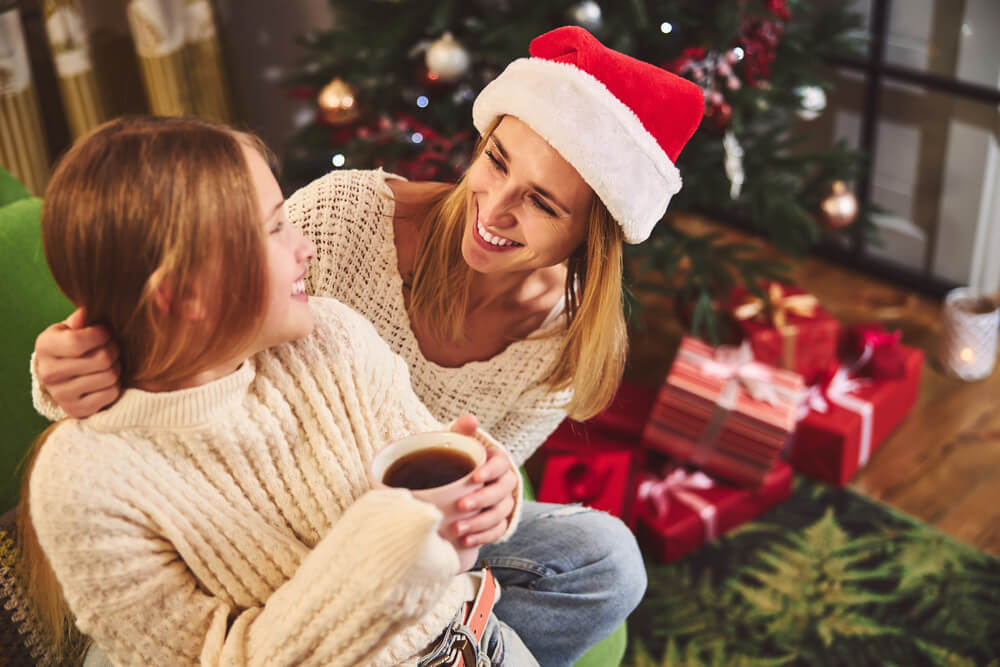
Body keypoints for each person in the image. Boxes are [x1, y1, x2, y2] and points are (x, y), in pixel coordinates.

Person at [29, 26, 704, 664]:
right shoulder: (340, 234)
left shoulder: (342, 337)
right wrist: (87, 359)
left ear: (588, 236)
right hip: (341, 564)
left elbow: (442, 477)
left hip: (404, 552)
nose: (495, 207)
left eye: (543, 203)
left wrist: (487, 491)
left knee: (607, 558)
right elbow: (191, 336)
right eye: (496, 160)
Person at [20, 115, 532, 666]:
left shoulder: (333, 333)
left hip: (478, 638)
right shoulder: (82, 483)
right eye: (273, 228)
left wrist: (489, 488)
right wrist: (385, 554)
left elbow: (426, 451)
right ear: (184, 292)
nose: (305, 246)